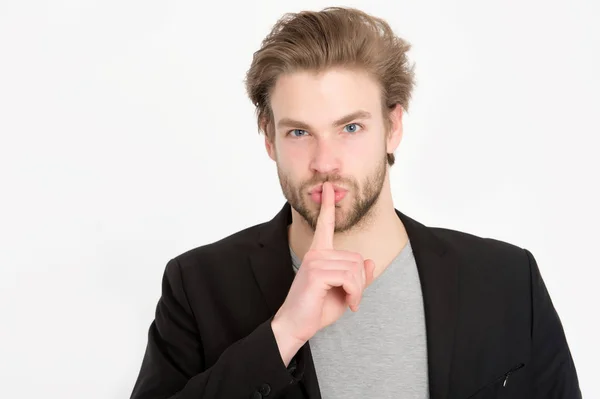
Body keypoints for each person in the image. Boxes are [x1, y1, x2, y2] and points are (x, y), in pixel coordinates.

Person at [129, 7, 581, 399]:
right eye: (299, 132)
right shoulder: (198, 285)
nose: (325, 162)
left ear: (394, 126)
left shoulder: (505, 279)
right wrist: (282, 335)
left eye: (351, 128)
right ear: (269, 138)